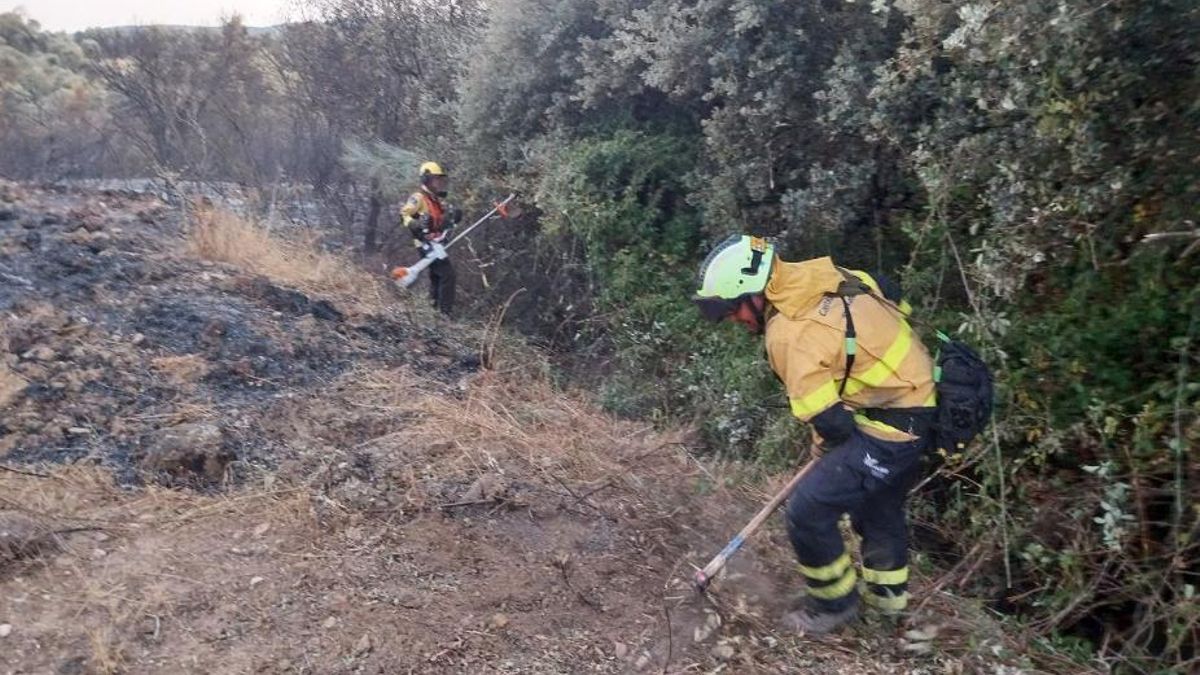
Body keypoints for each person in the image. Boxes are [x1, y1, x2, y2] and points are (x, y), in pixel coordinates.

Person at [693, 234, 937, 635]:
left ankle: (834, 605)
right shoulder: (824, 274)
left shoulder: (789, 334)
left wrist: (822, 454)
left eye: (734, 309)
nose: (736, 320)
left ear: (755, 294)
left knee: (808, 510)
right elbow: (894, 297)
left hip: (892, 423)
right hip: (922, 400)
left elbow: (832, 424)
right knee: (877, 507)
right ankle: (888, 611)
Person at [401, 161, 461, 315]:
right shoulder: (418, 197)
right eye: (436, 179)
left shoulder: (436, 199)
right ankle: (444, 314)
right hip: (425, 242)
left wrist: (452, 219)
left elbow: (440, 221)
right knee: (448, 275)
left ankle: (433, 311)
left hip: (435, 241)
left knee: (437, 276)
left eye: (440, 179)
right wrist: (415, 224)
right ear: (426, 179)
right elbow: (404, 214)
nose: (439, 182)